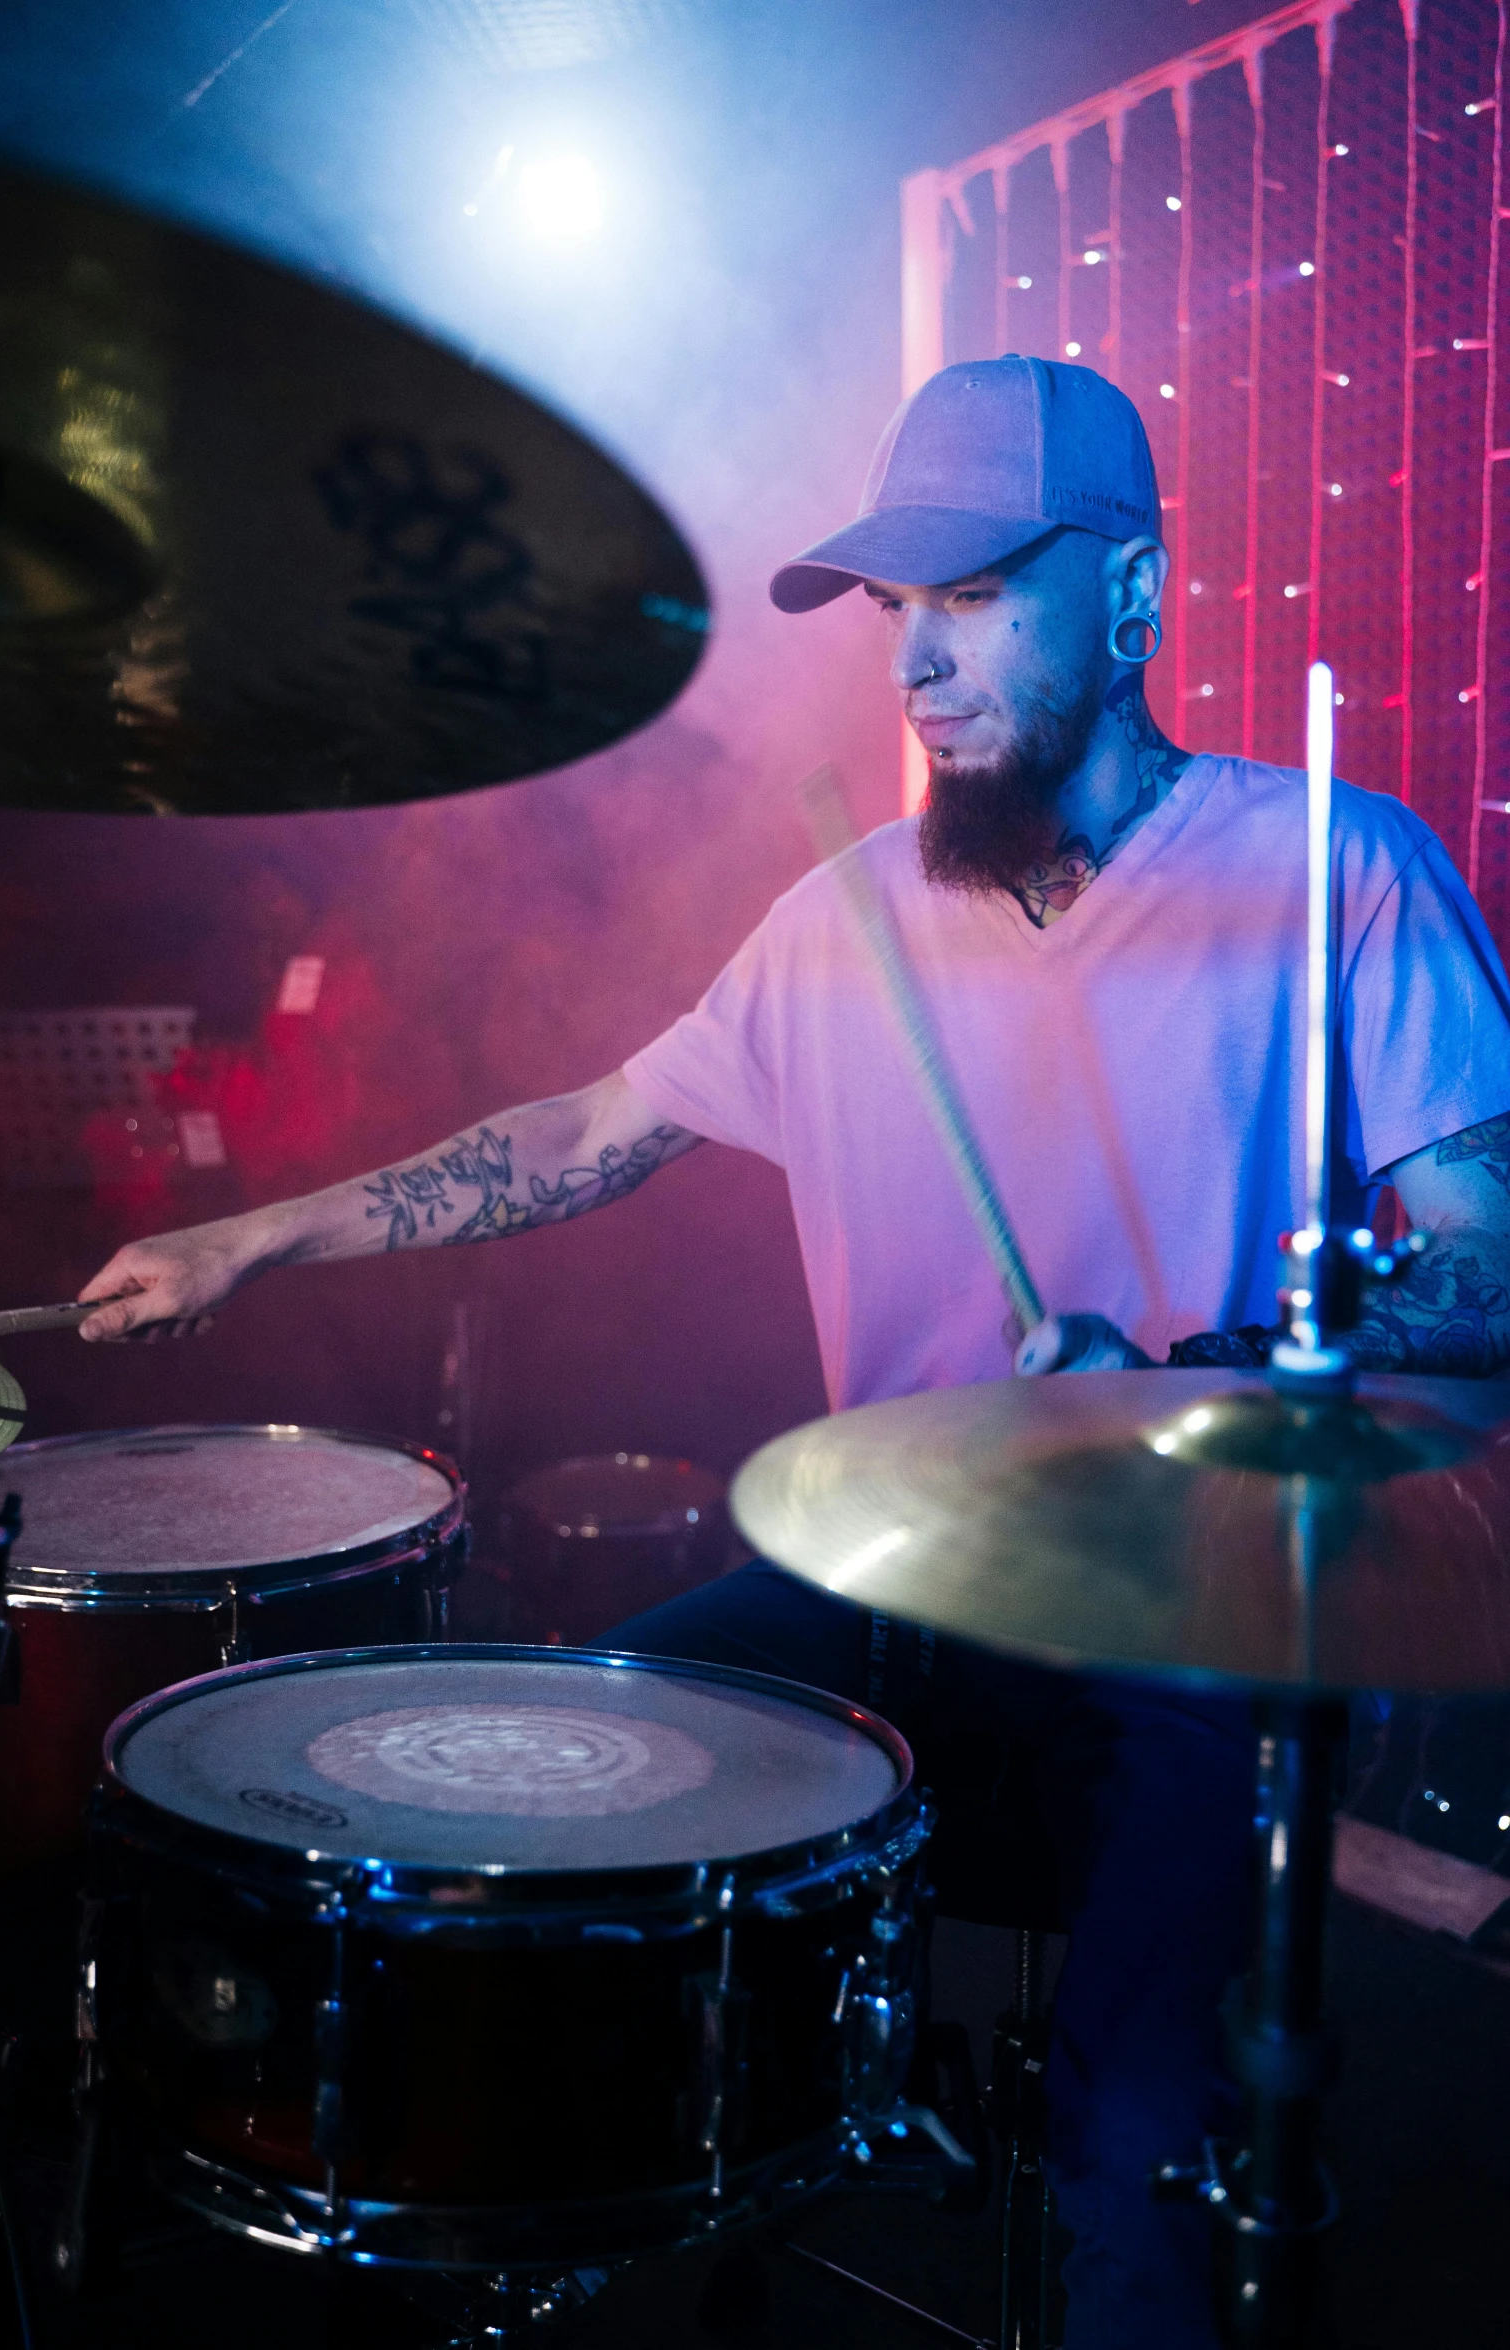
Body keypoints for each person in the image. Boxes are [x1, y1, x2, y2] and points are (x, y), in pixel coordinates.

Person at [78, 357, 1510, 2346]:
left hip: (1200, 1612)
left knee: (1136, 2131)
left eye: (974, 595)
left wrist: (1198, 1365)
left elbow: (1488, 1271)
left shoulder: (1342, 867)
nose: (916, 661)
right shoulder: (842, 919)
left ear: (1134, 589)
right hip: (906, 1575)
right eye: (892, 611)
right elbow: (579, 1134)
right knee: (535, 1773)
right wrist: (256, 1229)